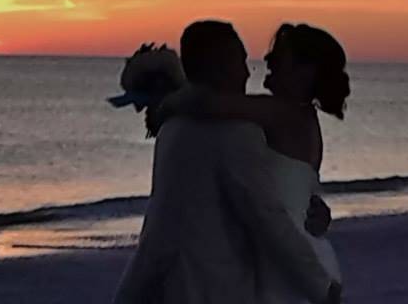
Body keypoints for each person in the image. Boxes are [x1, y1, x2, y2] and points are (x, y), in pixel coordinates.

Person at [112, 21, 340, 304]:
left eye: (279, 54)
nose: (256, 66)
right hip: (268, 267)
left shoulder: (183, 128)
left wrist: (166, 103)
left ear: (306, 72)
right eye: (241, 61)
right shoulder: (241, 129)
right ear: (220, 66)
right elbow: (266, 213)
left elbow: (207, 104)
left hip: (281, 266)